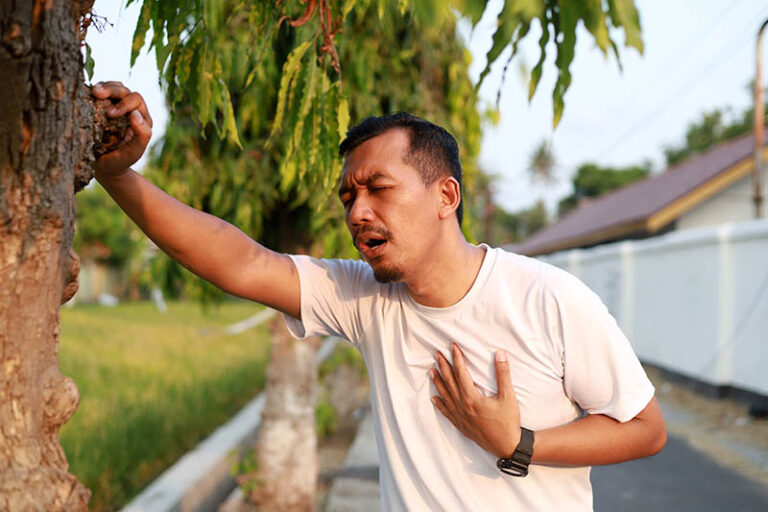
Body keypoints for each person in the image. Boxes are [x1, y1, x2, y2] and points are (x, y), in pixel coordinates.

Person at [92, 82, 666, 511]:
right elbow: (241, 262)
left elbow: (645, 428)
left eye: (378, 189)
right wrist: (119, 176)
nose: (357, 211)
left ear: (446, 195)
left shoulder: (549, 298)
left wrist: (516, 443)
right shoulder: (367, 299)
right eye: (348, 196)